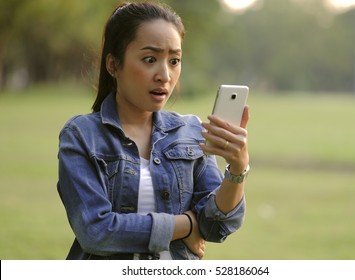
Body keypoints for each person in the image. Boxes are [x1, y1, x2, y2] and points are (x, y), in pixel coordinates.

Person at [57, 1, 250, 260]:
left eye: (174, 60)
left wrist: (237, 170)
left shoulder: (191, 132)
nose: (165, 75)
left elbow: (216, 226)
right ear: (113, 65)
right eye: (150, 59)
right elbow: (96, 231)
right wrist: (187, 225)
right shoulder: (81, 135)